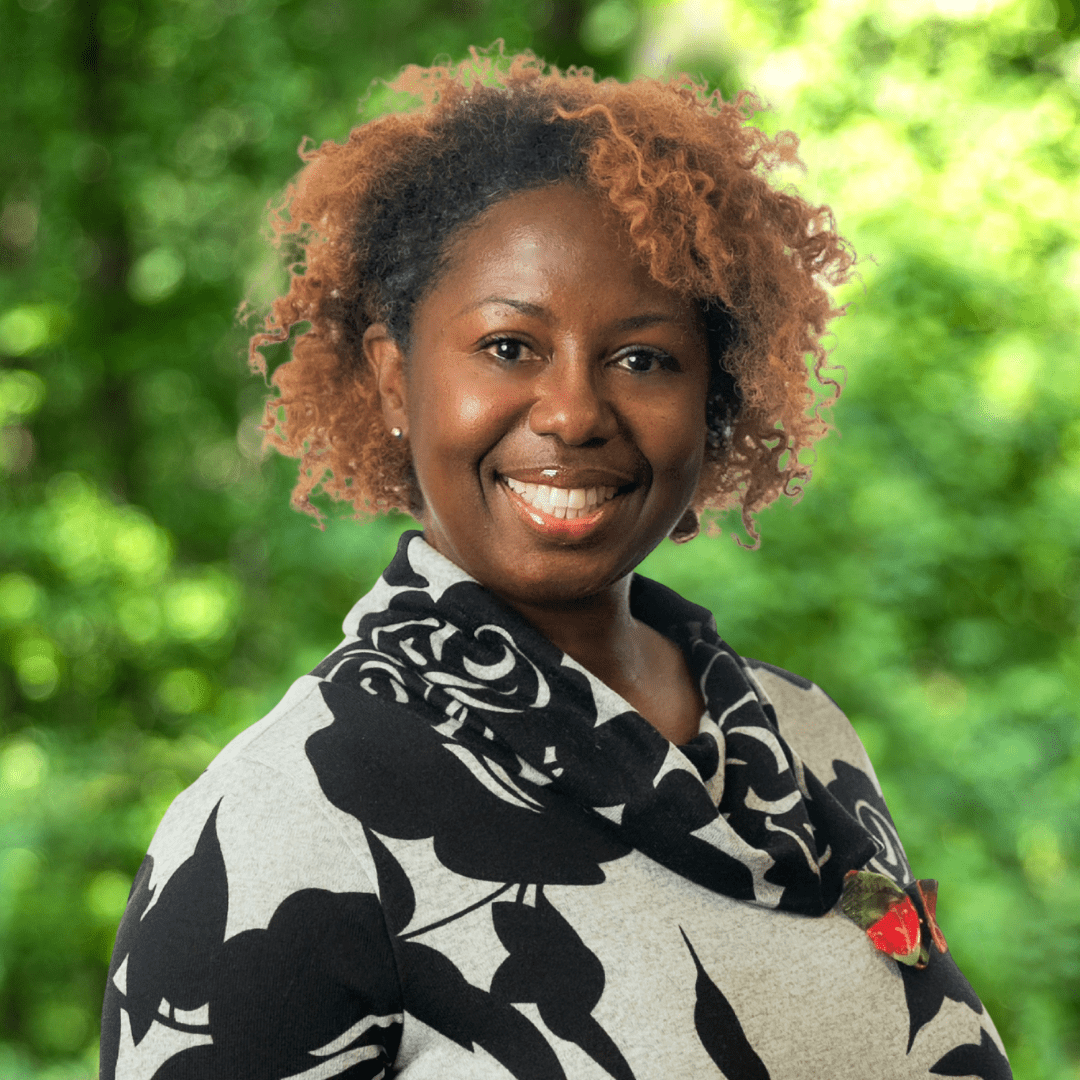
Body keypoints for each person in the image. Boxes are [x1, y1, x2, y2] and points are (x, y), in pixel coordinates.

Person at [100, 49, 1012, 1080]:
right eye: (508, 347)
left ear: (713, 403)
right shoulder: (290, 817)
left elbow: (924, 1028)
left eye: (643, 358)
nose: (576, 412)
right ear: (394, 379)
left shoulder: (805, 742)